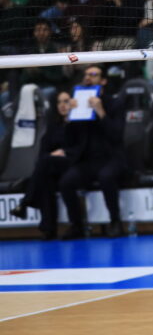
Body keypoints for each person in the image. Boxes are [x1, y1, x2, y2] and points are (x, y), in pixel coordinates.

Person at [58, 65, 127, 239]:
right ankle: (77, 225)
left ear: (103, 81)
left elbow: (116, 135)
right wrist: (69, 117)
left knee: (106, 176)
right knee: (66, 182)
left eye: (93, 74)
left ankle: (115, 222)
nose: (88, 78)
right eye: (86, 75)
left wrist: (101, 112)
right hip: (88, 160)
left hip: (111, 158)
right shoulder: (79, 104)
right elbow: (69, 140)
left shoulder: (115, 103)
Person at [9, 91, 73, 240]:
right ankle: (49, 229)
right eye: (59, 102)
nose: (62, 105)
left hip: (73, 162)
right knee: (45, 179)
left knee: (44, 165)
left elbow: (82, 146)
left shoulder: (79, 123)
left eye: (66, 101)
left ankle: (25, 203)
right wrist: (52, 155)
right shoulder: (54, 126)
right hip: (53, 166)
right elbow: (43, 150)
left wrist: (64, 152)